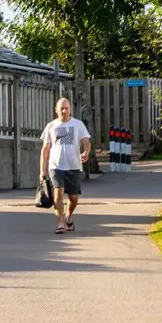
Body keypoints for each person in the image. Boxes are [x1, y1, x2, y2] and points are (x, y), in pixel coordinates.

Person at [39, 97, 92, 234]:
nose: (64, 111)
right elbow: (45, 149)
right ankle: (60, 224)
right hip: (56, 166)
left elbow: (86, 141)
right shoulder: (51, 126)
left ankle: (68, 216)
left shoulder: (78, 124)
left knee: (73, 198)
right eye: (61, 108)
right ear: (56, 110)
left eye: (66, 108)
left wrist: (86, 151)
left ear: (70, 109)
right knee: (58, 193)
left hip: (74, 166)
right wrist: (42, 171)